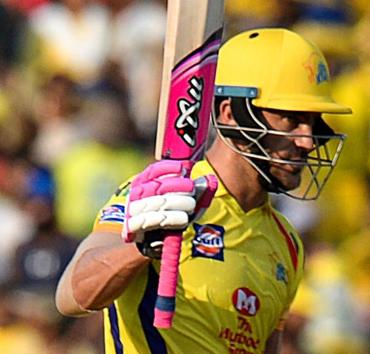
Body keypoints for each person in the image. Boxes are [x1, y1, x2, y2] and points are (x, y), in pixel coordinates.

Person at [55, 28, 351, 354]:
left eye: (313, 122)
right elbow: (71, 296)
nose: (307, 141)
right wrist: (139, 250)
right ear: (230, 113)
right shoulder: (159, 195)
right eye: (290, 119)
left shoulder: (287, 244)